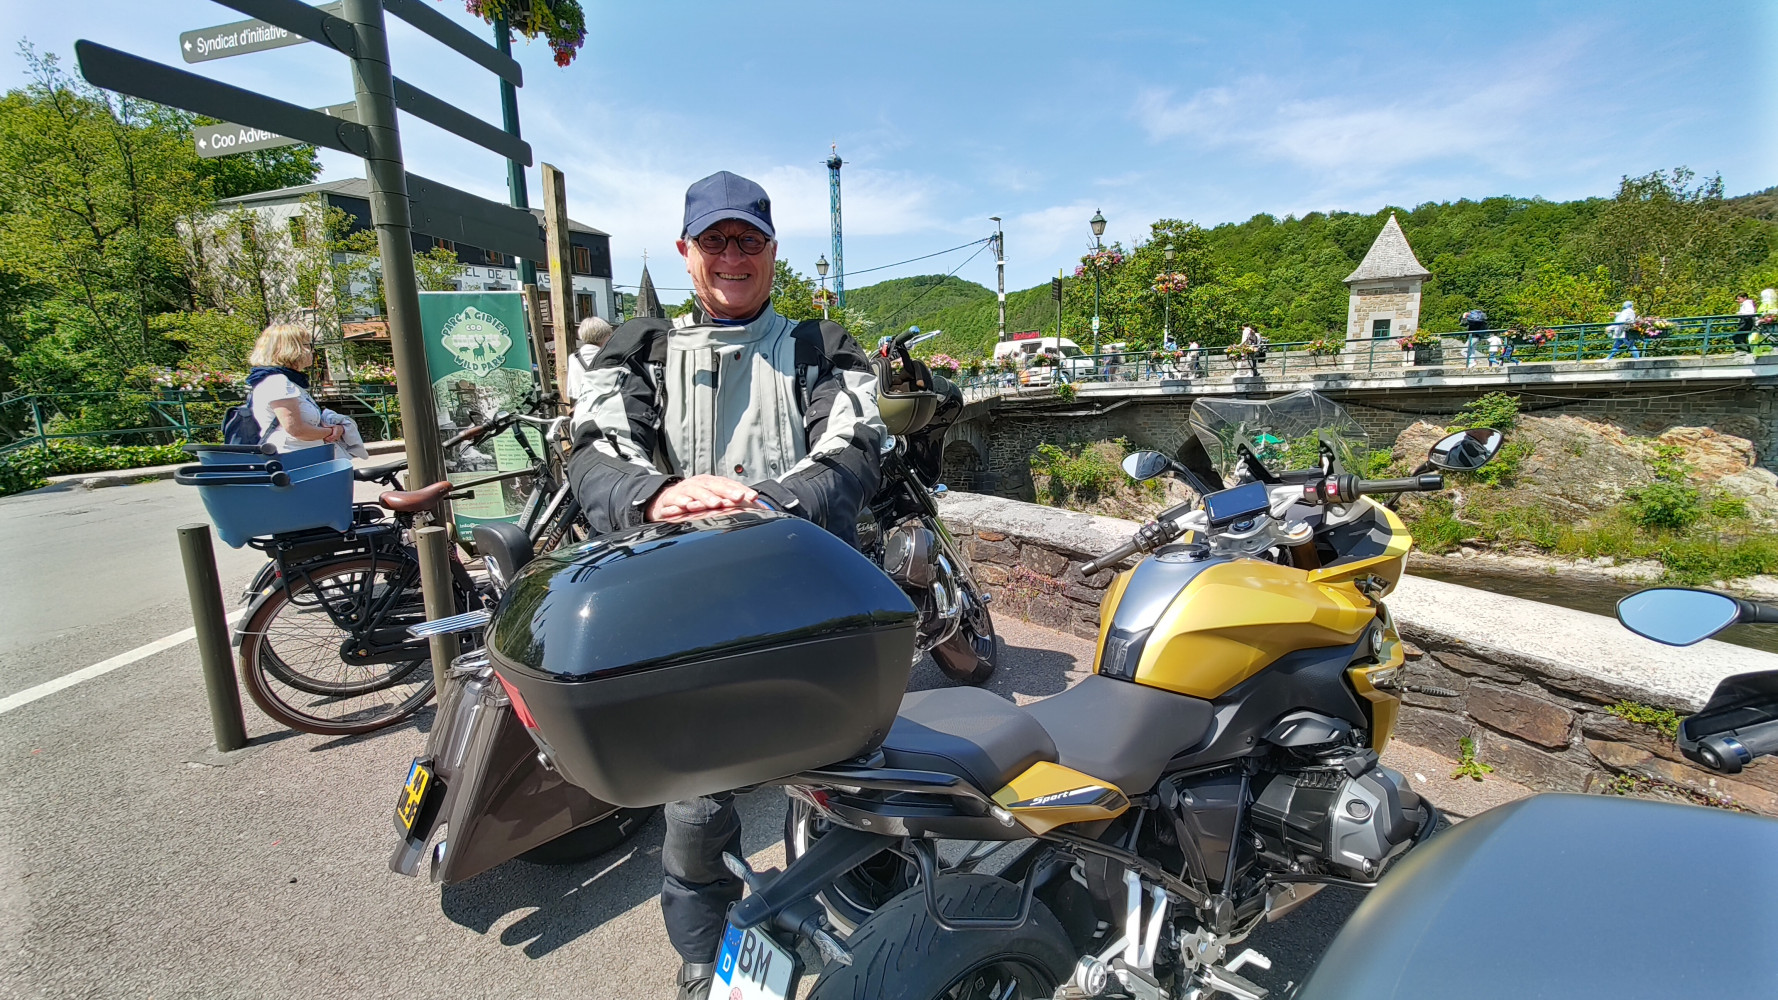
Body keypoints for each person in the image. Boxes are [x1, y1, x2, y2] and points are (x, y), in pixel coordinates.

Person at [565, 171, 884, 1000]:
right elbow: (596, 449)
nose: (732, 256)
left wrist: (769, 504)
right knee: (696, 806)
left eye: (748, 240)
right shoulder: (640, 349)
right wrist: (657, 496)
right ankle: (704, 953)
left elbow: (853, 447)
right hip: (694, 620)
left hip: (813, 609)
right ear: (686, 252)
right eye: (715, 241)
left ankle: (884, 926)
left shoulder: (822, 347)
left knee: (860, 779)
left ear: (773, 251)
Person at [246, 323, 347, 454]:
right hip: (293, 458)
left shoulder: (289, 381)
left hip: (304, 455)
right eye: (308, 345)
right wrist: (332, 431)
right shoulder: (277, 382)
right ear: (291, 348)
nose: (312, 351)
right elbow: (297, 430)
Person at [565, 315, 614, 402]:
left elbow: (574, 391)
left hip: (583, 404)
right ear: (604, 336)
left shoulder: (573, 358)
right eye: (609, 335)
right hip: (604, 404)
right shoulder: (607, 357)